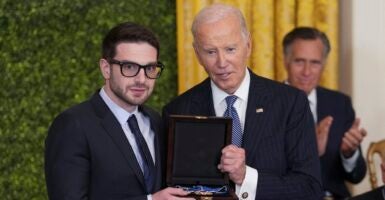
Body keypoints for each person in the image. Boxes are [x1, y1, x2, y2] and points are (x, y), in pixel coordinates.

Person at [162, 4, 323, 200]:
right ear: (197, 54)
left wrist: (246, 177)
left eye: (230, 49)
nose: (222, 63)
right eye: (211, 52)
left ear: (248, 46)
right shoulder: (178, 110)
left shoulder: (290, 103)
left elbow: (310, 188)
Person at [45, 22, 192, 200]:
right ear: (106, 69)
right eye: (129, 67)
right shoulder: (73, 125)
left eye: (150, 68)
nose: (141, 79)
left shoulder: (155, 121)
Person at [282, 27, 367, 199]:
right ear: (285, 61)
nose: (307, 72)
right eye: (299, 61)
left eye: (315, 63)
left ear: (324, 64)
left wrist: (349, 154)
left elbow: (357, 176)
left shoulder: (339, 103)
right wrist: (309, 149)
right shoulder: (266, 103)